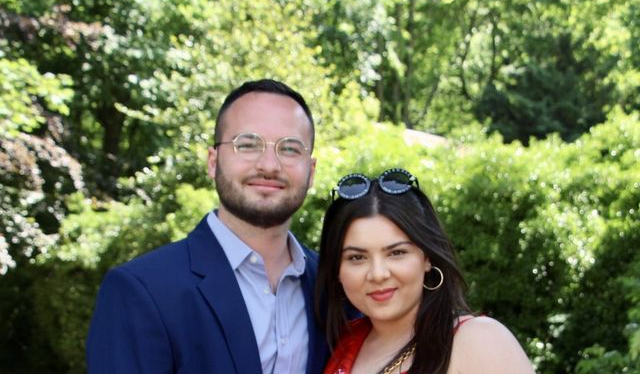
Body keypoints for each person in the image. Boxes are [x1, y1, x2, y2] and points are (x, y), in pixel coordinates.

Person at [87, 79, 328, 373]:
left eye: (289, 149)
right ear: (213, 162)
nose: (269, 165)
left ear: (311, 170)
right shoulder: (140, 291)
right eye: (247, 145)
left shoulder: (334, 286)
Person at [316, 168, 534, 374]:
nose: (378, 274)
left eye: (396, 253)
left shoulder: (478, 339)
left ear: (427, 257)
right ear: (337, 268)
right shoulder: (343, 344)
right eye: (357, 257)